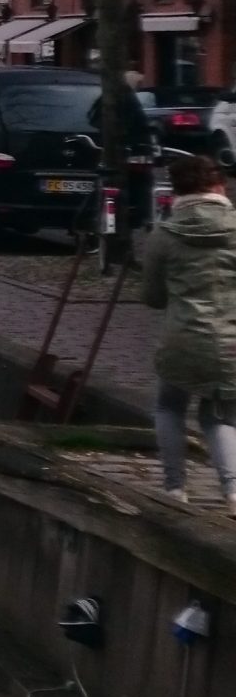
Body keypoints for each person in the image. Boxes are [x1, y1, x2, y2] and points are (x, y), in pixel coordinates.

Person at [140, 153, 236, 512]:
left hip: (182, 337)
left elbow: (152, 297)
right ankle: (233, 493)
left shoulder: (163, 235)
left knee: (169, 407)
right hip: (230, 341)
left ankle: (175, 489)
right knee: (221, 416)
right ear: (219, 185)